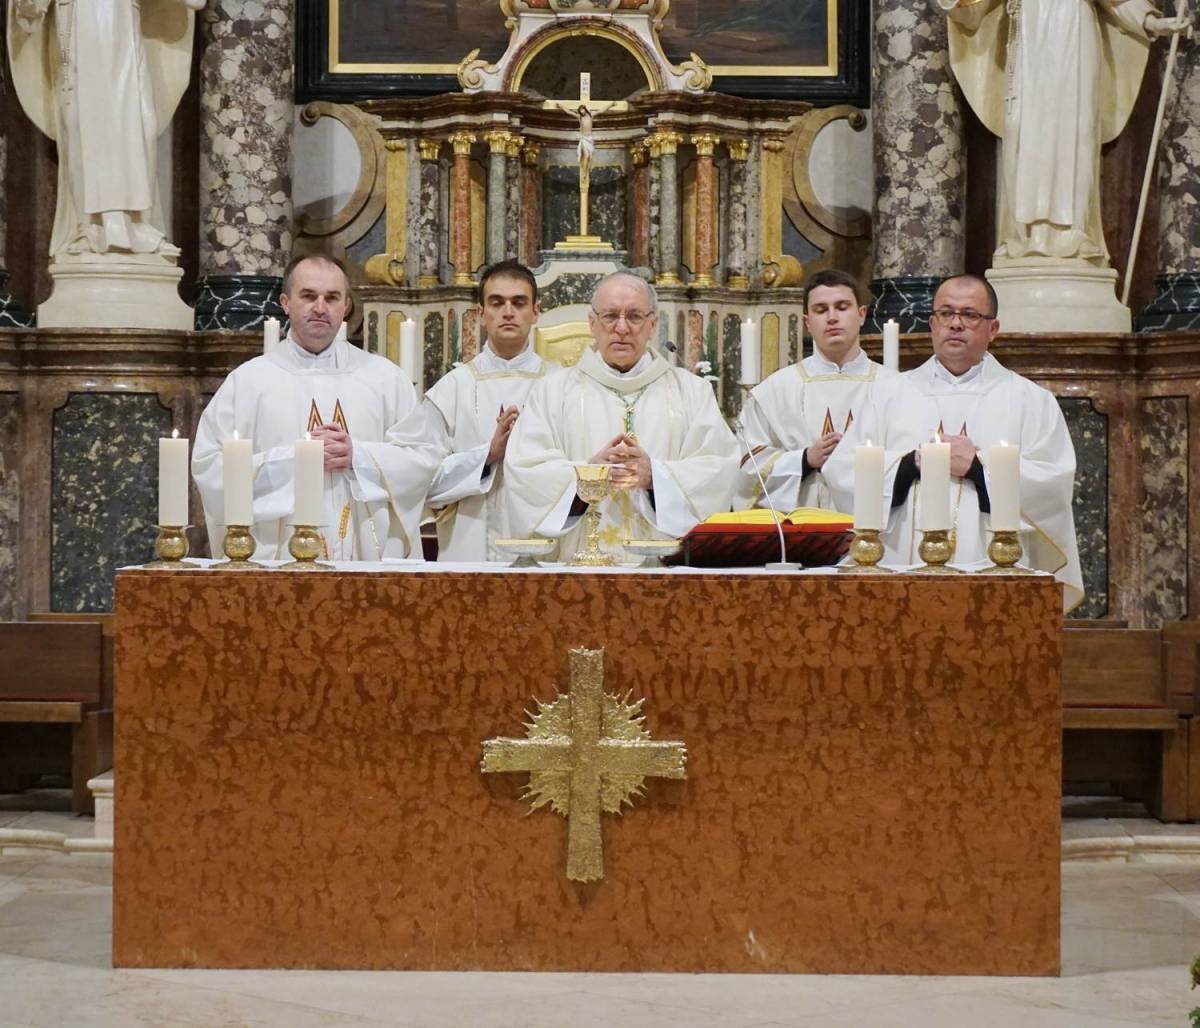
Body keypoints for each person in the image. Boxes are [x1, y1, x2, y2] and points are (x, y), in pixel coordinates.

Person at [192, 255, 439, 562]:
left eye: (332, 298)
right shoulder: (247, 383)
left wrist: (358, 456)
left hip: (366, 562)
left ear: (345, 306)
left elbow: (423, 459)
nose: (320, 307)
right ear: (285, 302)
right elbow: (210, 467)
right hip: (276, 564)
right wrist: (295, 459)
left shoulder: (385, 379)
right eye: (308, 296)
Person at [504, 270, 738, 562]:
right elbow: (525, 470)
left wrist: (656, 477)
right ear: (592, 323)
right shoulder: (552, 392)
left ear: (653, 324)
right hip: (580, 566)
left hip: (665, 570)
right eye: (610, 316)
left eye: (635, 316)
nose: (622, 328)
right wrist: (587, 475)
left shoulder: (692, 391)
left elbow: (719, 468)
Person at [937, 0, 1184, 264]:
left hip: (1074, 31)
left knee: (1076, 129)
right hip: (1028, 38)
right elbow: (972, 7)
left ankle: (1074, 232)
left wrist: (1148, 20)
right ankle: (1023, 236)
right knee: (1022, 132)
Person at [898, 274, 1083, 611]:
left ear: (993, 329)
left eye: (970, 315)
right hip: (901, 565)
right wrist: (909, 464)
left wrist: (978, 467)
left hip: (993, 566)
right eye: (946, 313)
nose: (956, 324)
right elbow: (850, 473)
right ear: (932, 324)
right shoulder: (888, 394)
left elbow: (1053, 484)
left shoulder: (1030, 400)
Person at [735, 270, 932, 558]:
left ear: (861, 315)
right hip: (795, 543)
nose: (832, 317)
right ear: (807, 322)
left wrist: (850, 465)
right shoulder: (775, 391)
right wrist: (804, 459)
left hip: (879, 539)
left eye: (842, 307)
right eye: (820, 309)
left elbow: (914, 461)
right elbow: (746, 469)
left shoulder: (896, 388)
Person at [8, 0, 204, 257]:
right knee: (93, 121)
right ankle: (96, 226)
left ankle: (137, 222)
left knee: (143, 125)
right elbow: (30, 9)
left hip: (127, 26)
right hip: (85, 20)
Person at [423, 260, 553, 561]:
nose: (508, 312)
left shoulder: (561, 386)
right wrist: (486, 457)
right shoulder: (452, 389)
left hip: (545, 551)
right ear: (481, 314)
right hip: (469, 551)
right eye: (497, 302)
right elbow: (423, 481)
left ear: (536, 312)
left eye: (519, 303)